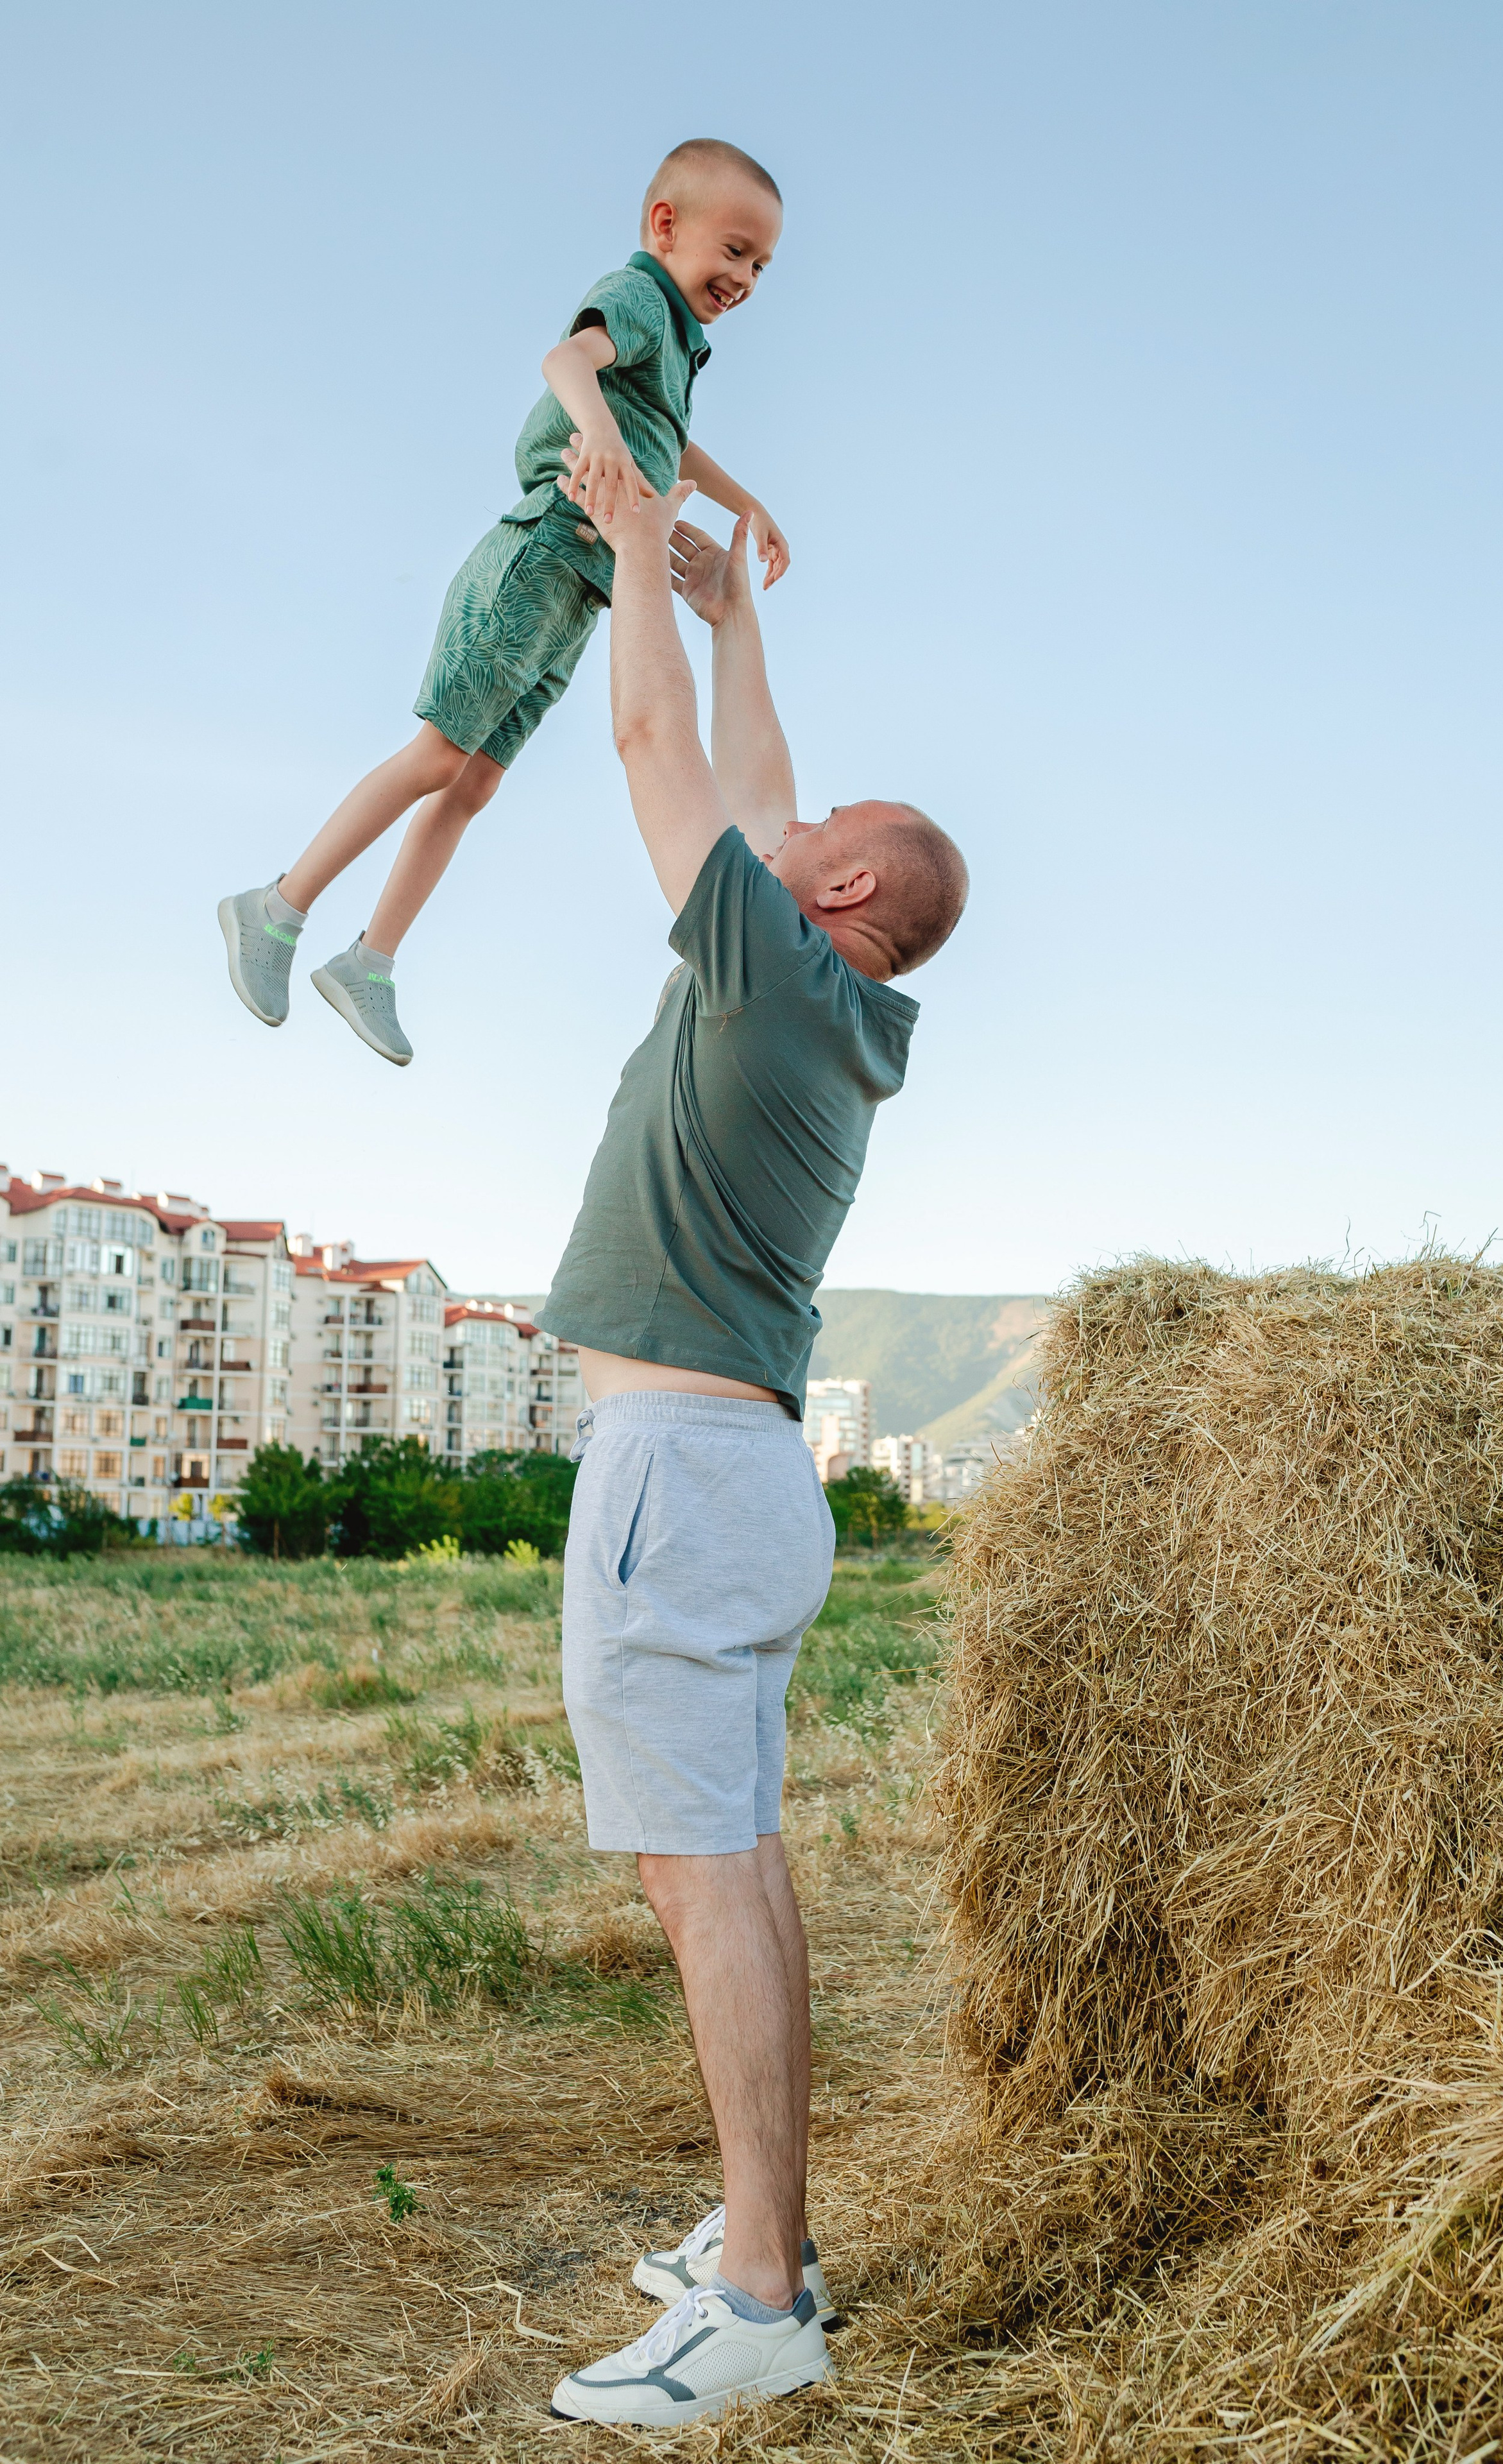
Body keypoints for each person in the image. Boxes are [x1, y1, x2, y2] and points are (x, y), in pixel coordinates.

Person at [539, 459, 967, 2428]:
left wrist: (636, 540)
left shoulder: (780, 972)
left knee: (703, 1880)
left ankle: (765, 2304)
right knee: (745, 1866)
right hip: (738, 1479)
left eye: (816, 836)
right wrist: (735, 614)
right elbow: (744, 755)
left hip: (679, 1479)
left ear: (846, 892)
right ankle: (755, 2239)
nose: (779, 826)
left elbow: (652, 746)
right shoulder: (825, 1000)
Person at [217, 138, 788, 1066]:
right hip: (539, 557)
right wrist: (598, 435)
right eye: (734, 251)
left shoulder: (681, 349)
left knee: (474, 781)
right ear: (665, 226)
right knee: (439, 753)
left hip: (583, 591)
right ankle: (276, 908)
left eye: (761, 265)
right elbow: (567, 362)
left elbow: (672, 447)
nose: (747, 277)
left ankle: (372, 961)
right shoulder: (642, 294)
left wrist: (747, 503)